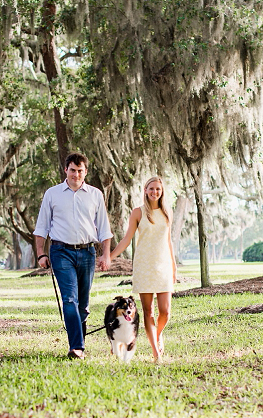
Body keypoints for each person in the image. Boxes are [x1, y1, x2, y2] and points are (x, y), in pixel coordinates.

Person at [34, 153, 113, 360]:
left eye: (80, 171)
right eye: (72, 170)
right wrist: (41, 253)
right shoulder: (52, 194)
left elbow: (104, 228)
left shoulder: (95, 194)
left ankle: (79, 342)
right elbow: (41, 227)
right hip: (61, 252)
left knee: (83, 305)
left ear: (85, 172)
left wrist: (106, 255)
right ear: (65, 170)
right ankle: (76, 347)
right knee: (69, 299)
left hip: (87, 252)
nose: (76, 174)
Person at [109, 176, 177, 361]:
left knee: (165, 312)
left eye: (158, 189)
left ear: (162, 192)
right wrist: (109, 256)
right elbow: (126, 239)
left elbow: (169, 241)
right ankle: (156, 353)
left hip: (163, 265)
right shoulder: (138, 213)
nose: (155, 192)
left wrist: (174, 266)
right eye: (151, 188)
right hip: (144, 265)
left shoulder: (167, 212)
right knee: (148, 311)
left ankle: (158, 333)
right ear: (145, 190)